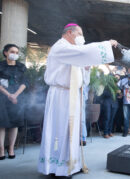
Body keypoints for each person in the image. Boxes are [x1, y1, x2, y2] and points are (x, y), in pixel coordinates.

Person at [38, 23, 117, 177]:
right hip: (60, 95)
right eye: (79, 34)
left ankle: (71, 164)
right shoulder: (61, 46)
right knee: (60, 130)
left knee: (72, 131)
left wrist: (86, 69)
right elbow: (83, 51)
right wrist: (107, 44)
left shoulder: (71, 50)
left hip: (72, 94)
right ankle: (56, 167)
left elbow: (82, 76)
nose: (82, 37)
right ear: (69, 32)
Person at [0, 44, 27, 160]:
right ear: (5, 52)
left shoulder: (21, 67)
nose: (15, 54)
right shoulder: (0, 66)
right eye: (12, 52)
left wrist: (15, 95)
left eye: (16, 52)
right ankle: (1, 149)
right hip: (2, 96)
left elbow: (25, 82)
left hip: (17, 97)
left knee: (14, 123)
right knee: (1, 123)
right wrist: (8, 94)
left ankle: (11, 148)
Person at [101, 74, 119, 139]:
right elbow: (103, 94)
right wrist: (113, 92)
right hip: (107, 103)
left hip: (114, 103)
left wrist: (119, 94)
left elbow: (118, 95)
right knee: (107, 118)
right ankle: (105, 133)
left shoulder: (116, 86)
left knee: (112, 118)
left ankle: (110, 131)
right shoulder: (106, 85)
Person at [81, 67, 90, 146]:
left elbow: (86, 82)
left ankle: (83, 138)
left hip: (81, 97)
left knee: (81, 119)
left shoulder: (86, 71)